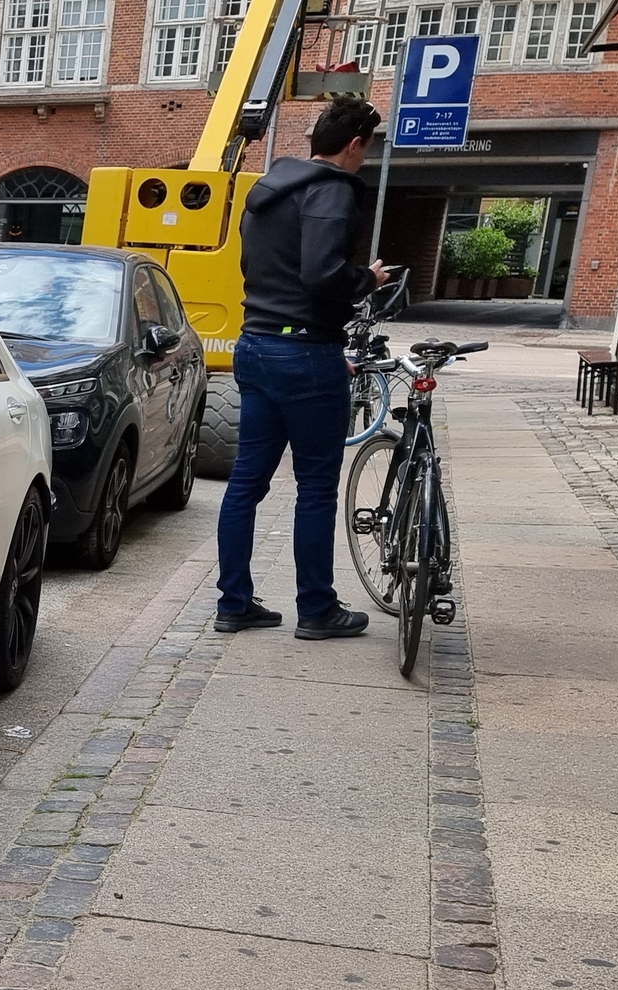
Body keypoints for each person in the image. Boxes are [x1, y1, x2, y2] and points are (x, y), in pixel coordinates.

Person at [216, 98, 393, 639]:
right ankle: (316, 609)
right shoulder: (332, 190)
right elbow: (321, 273)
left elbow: (257, 266)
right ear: (355, 143)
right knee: (316, 487)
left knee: (246, 482)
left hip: (257, 343)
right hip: (306, 352)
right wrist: (368, 280)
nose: (368, 157)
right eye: (370, 147)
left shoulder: (268, 190)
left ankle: (234, 604)